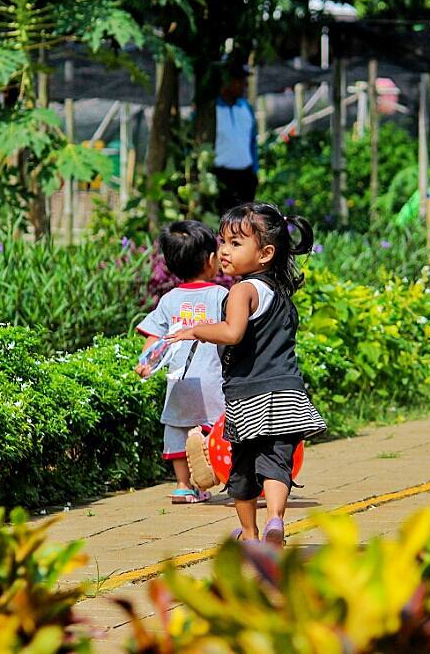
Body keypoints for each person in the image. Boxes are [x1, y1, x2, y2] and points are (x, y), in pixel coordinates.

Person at [168, 203, 326, 548]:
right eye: (223, 241)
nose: (223, 250)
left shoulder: (242, 290)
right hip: (287, 391)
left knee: (241, 468)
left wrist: (196, 330)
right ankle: (275, 519)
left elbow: (233, 332)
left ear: (266, 253)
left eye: (235, 243)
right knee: (276, 462)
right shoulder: (280, 293)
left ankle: (251, 533)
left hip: (248, 395)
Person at [135, 220, 228, 504]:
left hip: (178, 379)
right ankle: (216, 474)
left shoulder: (169, 299)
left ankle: (183, 485)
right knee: (219, 429)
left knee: (178, 430)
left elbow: (154, 337)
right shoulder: (220, 295)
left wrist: (145, 363)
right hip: (212, 379)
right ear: (211, 260)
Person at [212, 62, 258, 214]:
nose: (244, 85)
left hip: (245, 175)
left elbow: (252, 141)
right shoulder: (213, 109)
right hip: (221, 176)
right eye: (239, 81)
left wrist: (255, 170)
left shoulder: (246, 107)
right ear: (226, 81)